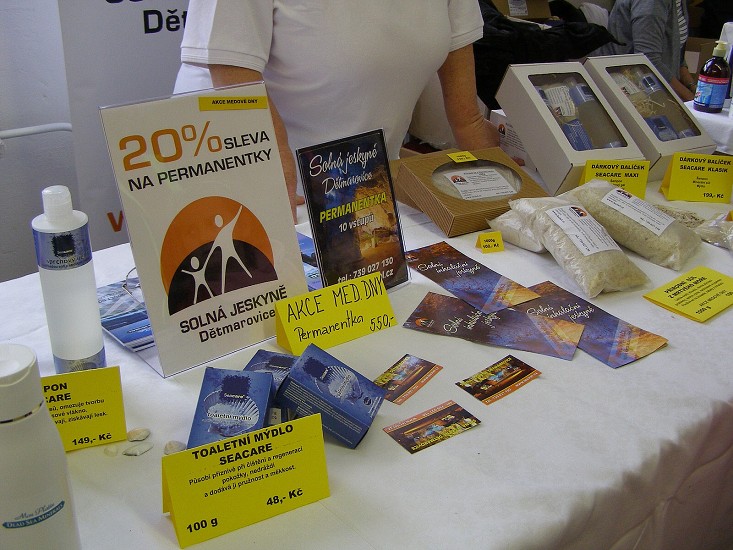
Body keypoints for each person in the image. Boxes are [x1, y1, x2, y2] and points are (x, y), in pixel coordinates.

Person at [178, 2, 500, 220]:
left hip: (364, 182)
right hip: (261, 169)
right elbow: (231, 72)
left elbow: (467, 113)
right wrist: (275, 175)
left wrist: (501, 181)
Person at [594, 0, 697, 101]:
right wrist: (690, 99)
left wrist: (693, 87)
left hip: (659, 87)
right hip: (632, 90)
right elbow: (648, 61)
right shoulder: (652, 3)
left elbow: (676, 52)